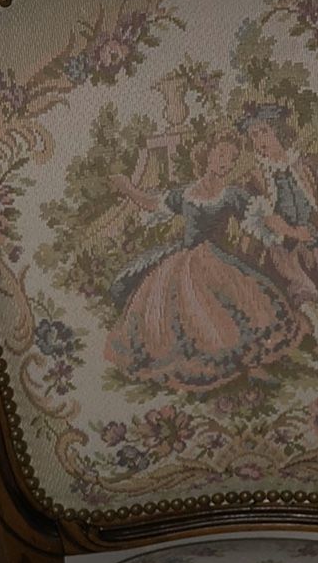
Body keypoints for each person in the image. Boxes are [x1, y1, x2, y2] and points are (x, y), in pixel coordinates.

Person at [104, 134, 301, 390]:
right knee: (180, 314)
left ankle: (252, 365)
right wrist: (128, 187)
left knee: (240, 305)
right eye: (221, 154)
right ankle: (197, 363)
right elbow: (152, 203)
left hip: (217, 261)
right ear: (207, 154)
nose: (225, 163)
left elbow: (265, 217)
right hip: (182, 261)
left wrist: (294, 232)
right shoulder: (184, 194)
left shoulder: (231, 195)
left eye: (231, 159)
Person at [238, 105, 318, 368]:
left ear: (279, 133)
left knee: (307, 283)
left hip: (314, 242)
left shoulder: (304, 164)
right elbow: (267, 218)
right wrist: (293, 232)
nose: (259, 141)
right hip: (280, 245)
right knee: (294, 280)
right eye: (253, 137)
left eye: (263, 132)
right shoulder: (256, 177)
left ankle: (301, 336)